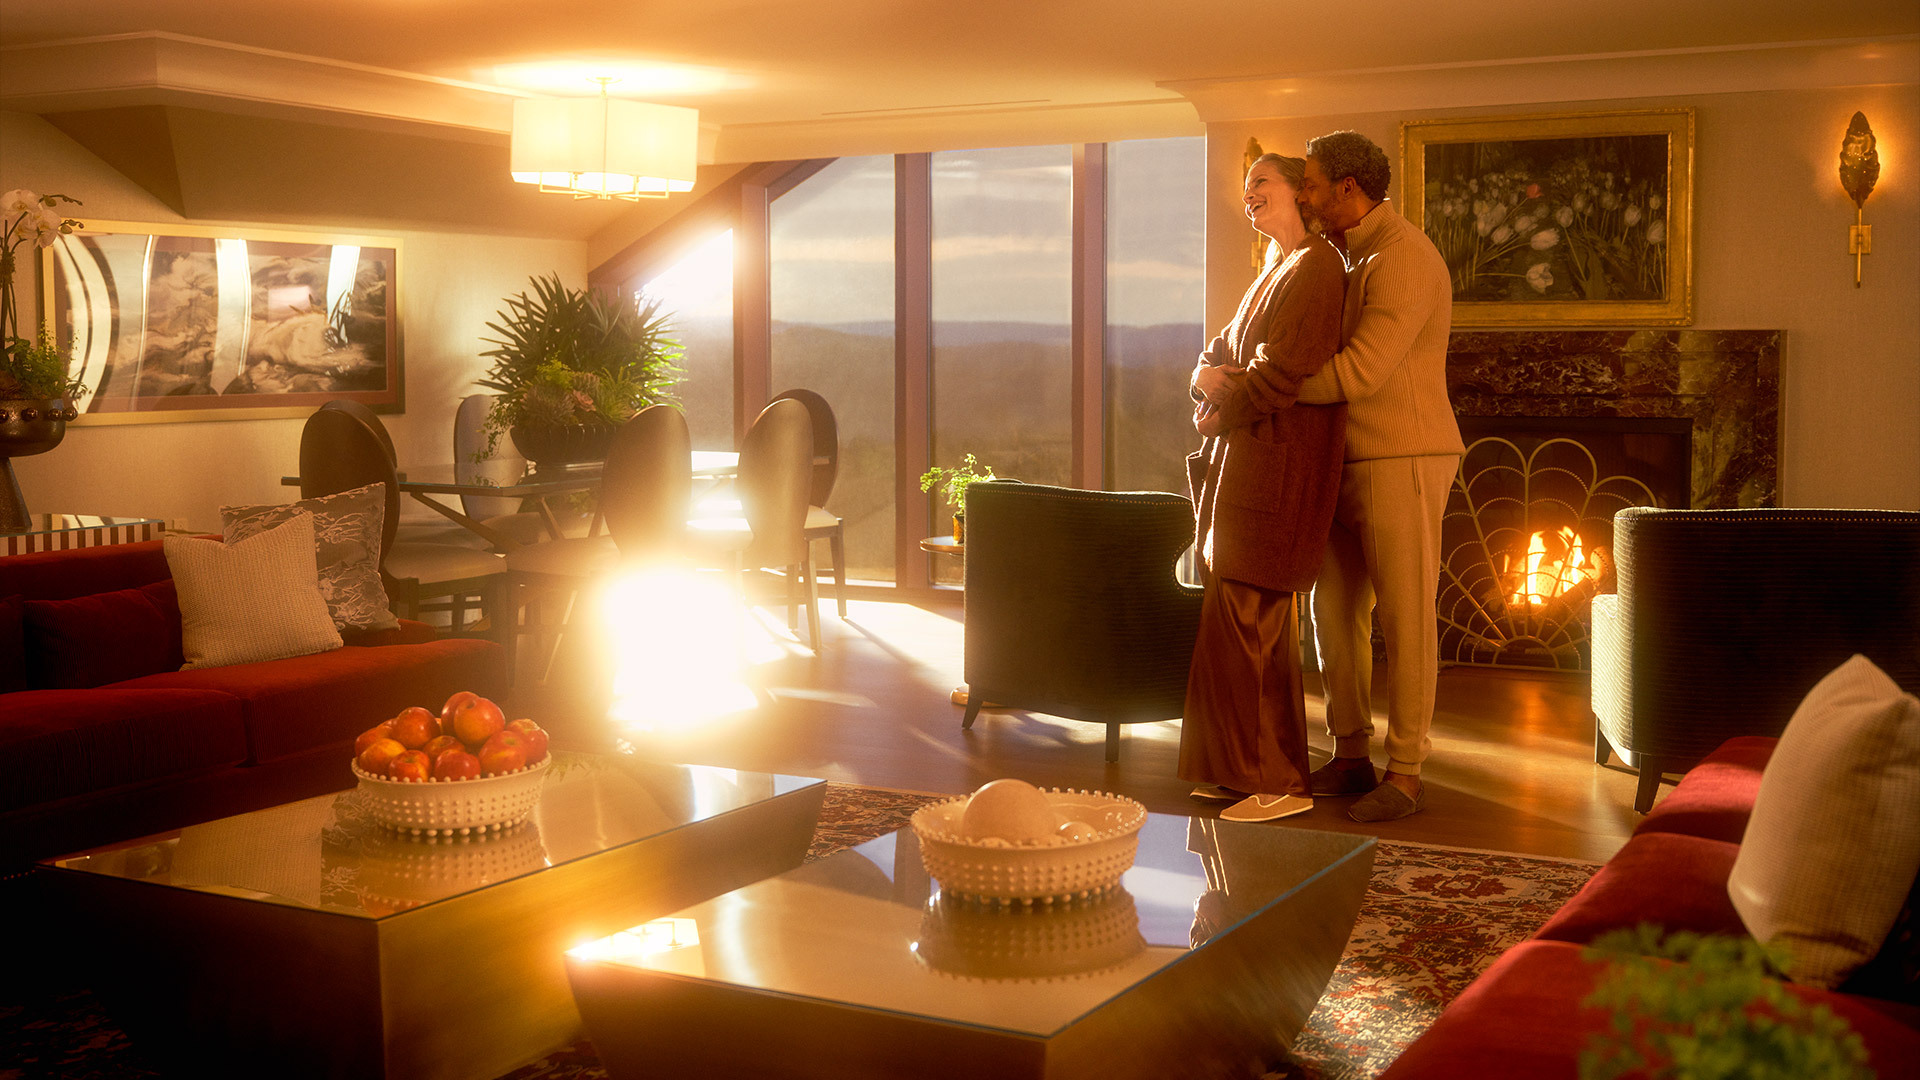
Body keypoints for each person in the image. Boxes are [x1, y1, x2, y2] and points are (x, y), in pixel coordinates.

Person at [1291, 131, 1465, 822]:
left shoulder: (1402, 258)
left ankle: (1409, 772)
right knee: (1331, 610)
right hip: (1344, 457)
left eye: (1309, 183)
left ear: (1348, 189)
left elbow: (1362, 371)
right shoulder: (1343, 255)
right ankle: (1351, 751)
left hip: (1405, 456)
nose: (1303, 196)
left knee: (1405, 616)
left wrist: (1267, 389)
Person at [1180, 153, 1348, 825]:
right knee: (1229, 614)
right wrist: (1204, 378)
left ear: (1300, 194)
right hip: (1242, 462)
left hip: (1279, 466)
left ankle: (1281, 779)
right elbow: (1218, 350)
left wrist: (1220, 403)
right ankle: (1232, 770)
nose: (1249, 194)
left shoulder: (1318, 269)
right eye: (1245, 186)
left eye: (1262, 183)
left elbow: (1282, 374)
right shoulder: (1270, 271)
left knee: (1255, 618)